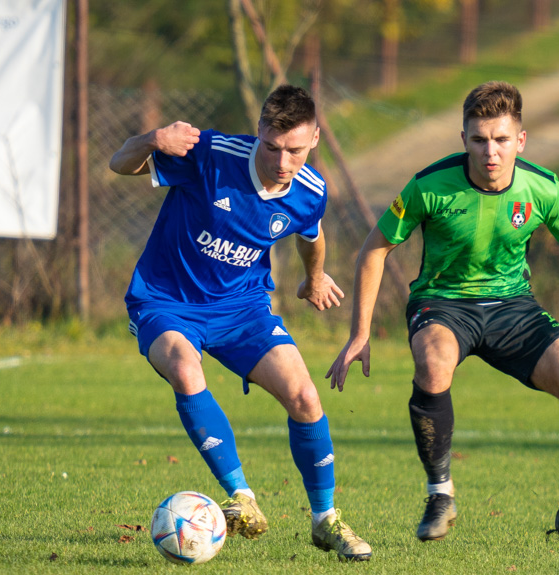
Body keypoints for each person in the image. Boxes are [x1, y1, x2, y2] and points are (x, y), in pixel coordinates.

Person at [327, 81, 559, 547]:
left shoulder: (542, 188)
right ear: (464, 139)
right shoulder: (429, 185)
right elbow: (374, 250)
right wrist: (360, 332)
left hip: (514, 308)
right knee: (433, 366)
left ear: (521, 140)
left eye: (501, 140)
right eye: (479, 140)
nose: (490, 152)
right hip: (443, 303)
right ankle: (440, 496)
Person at [109, 84, 371, 561]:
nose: (282, 161)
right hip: (165, 301)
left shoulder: (311, 191)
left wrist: (314, 279)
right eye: (271, 147)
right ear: (259, 133)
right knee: (187, 370)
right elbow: (118, 163)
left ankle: (326, 520)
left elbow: (312, 236)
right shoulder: (211, 155)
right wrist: (151, 139)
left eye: (294, 150)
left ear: (314, 139)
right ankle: (242, 498)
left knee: (305, 397)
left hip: (243, 308)